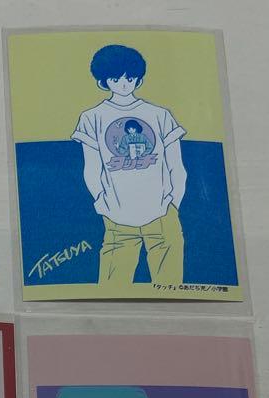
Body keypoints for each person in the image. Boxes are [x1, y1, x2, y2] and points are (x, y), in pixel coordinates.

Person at [72, 44, 186, 286]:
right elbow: (91, 168)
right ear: (103, 81)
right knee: (111, 290)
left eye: (130, 78)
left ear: (138, 79)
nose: (124, 84)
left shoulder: (159, 114)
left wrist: (173, 203)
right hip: (116, 217)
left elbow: (176, 165)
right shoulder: (91, 117)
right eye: (116, 79)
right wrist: (101, 201)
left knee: (171, 290)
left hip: (163, 215)